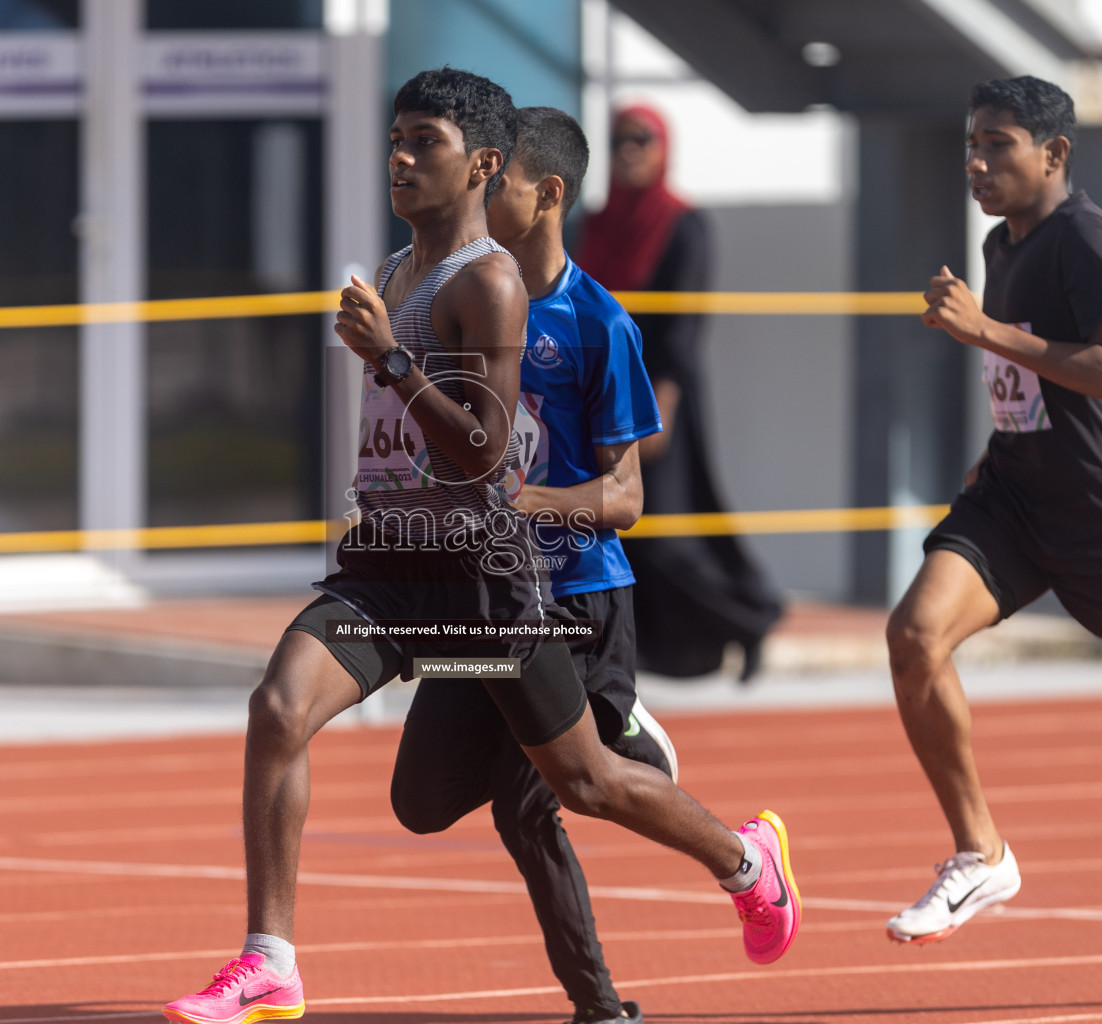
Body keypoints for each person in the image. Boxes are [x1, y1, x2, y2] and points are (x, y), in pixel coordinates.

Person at [162, 70, 801, 1024]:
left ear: (486, 166)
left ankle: (742, 859)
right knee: (285, 710)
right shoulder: (388, 272)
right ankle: (269, 960)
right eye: (397, 140)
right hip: (389, 565)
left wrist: (390, 362)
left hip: (485, 584)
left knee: (573, 782)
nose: (402, 158)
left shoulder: (494, 284)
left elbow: (486, 452)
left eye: (426, 141)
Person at [886, 74, 1102, 945]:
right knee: (915, 637)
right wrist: (1000, 439)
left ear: (1055, 153)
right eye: (972, 141)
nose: (976, 160)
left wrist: (985, 333)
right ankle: (980, 855)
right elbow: (1027, 384)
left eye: (997, 144)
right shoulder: (1004, 243)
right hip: (1012, 498)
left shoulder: (1087, 240)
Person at [388, 106, 687, 1024]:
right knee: (421, 801)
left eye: (498, 178)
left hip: (575, 604)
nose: (477, 188)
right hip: (485, 601)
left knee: (532, 807)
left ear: (546, 194)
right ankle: (611, 741)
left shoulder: (600, 324)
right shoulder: (454, 294)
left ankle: (602, 1006)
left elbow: (626, 498)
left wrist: (523, 503)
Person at [576, 104, 782, 682]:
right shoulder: (594, 222)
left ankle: (751, 618)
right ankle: (646, 654)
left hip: (657, 392)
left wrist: (662, 401)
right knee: (621, 535)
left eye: (643, 139)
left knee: (665, 529)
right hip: (597, 391)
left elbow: (684, 326)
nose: (630, 150)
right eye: (619, 140)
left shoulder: (683, 223)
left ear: (665, 147)